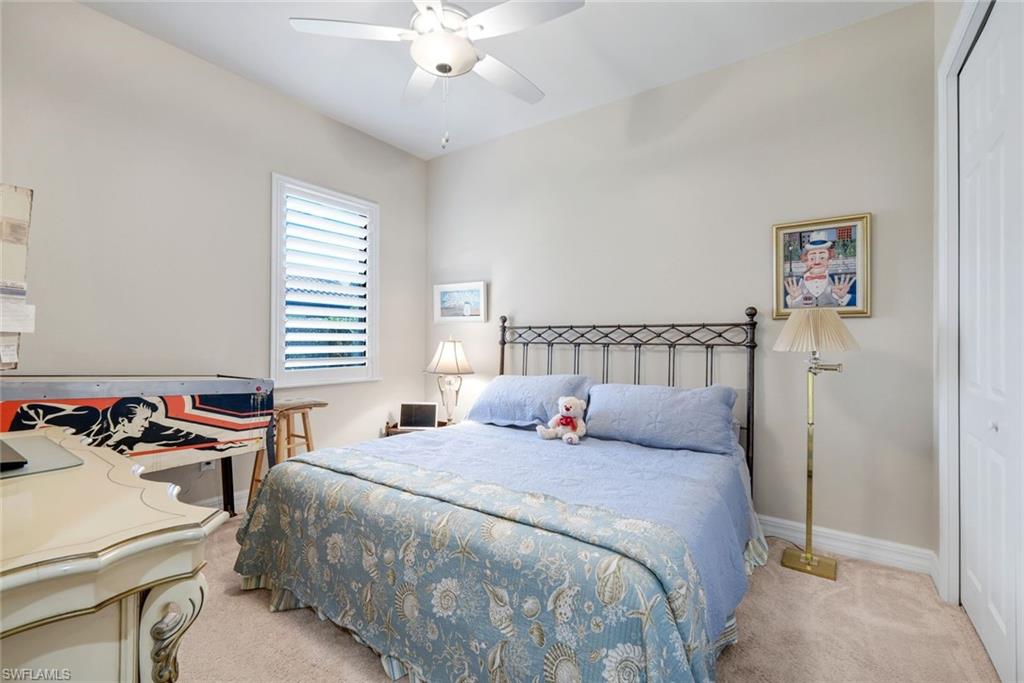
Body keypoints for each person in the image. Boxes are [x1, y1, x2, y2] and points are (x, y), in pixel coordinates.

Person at [9, 396, 243, 455]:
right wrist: (25, 449)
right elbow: (30, 410)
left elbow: (179, 435)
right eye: (143, 420)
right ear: (124, 420)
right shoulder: (89, 417)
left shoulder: (138, 433)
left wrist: (217, 444)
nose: (147, 426)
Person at [784, 230, 856, 309]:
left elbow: (858, 307)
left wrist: (843, 297)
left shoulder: (845, 283)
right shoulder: (793, 285)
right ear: (806, 261)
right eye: (812, 258)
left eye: (822, 257)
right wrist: (793, 299)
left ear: (830, 260)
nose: (817, 261)